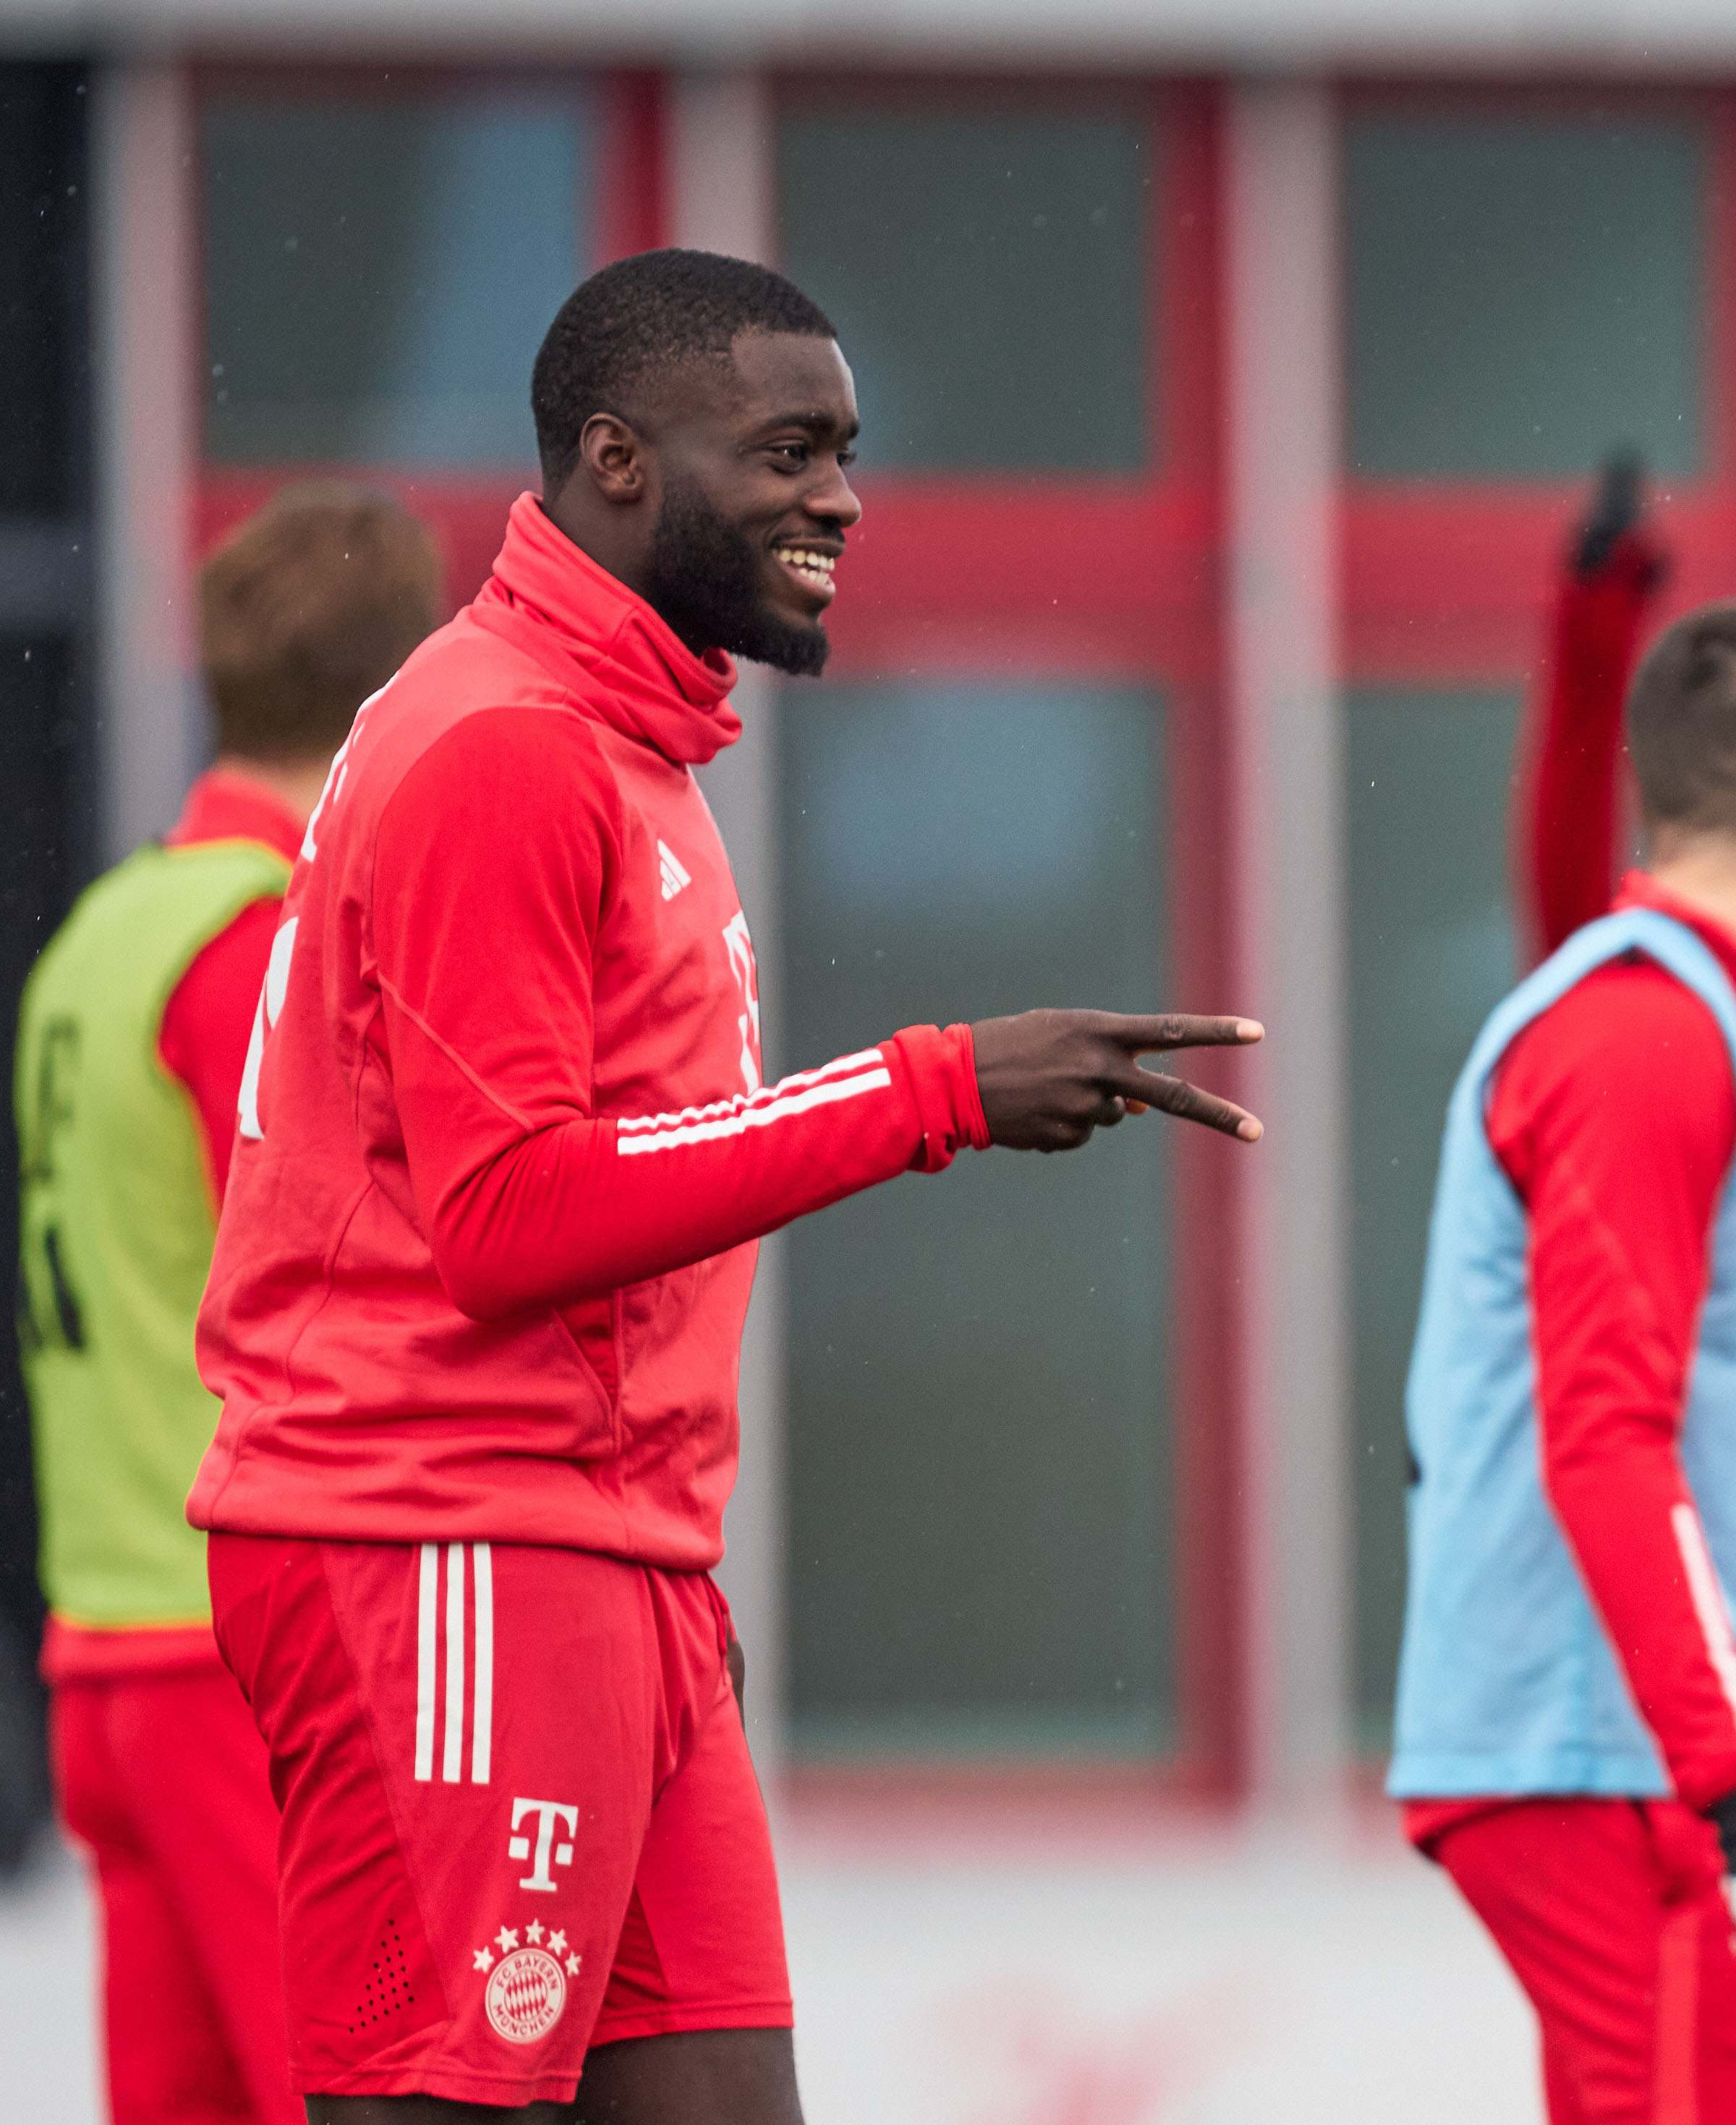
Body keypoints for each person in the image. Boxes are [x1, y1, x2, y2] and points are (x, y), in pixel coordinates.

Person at [184, 248, 1264, 2122]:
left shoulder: (622, 747)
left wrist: (662, 1573)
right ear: (616, 459)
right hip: (441, 1543)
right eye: (785, 450)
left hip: (600, 1562)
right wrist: (929, 1089)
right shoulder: (505, 746)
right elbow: (508, 1215)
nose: (838, 497)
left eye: (843, 452)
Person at [1396, 599, 1736, 2125]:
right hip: (1620, 1776)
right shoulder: (1643, 1035)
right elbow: (1606, 1438)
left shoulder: (1695, 1026)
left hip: (1652, 1769)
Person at [17, 484, 444, 2125]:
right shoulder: (264, 947)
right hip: (248, 1656)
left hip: (107, 1648)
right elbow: (342, 1287)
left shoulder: (105, 931)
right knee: (358, 2099)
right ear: (390, 702)